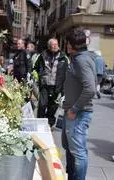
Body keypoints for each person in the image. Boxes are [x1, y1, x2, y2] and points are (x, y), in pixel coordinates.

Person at [62, 26, 96, 180]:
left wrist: (74, 109)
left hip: (77, 114)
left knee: (78, 152)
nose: (66, 45)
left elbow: (90, 89)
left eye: (68, 42)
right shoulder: (77, 58)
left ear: (73, 45)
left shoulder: (81, 60)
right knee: (70, 149)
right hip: (73, 112)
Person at [34, 38, 69, 127]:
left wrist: (65, 88)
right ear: (49, 46)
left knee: (53, 107)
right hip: (45, 85)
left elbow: (68, 72)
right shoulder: (42, 55)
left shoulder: (64, 57)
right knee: (42, 105)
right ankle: (40, 123)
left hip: (57, 86)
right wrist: (37, 76)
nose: (55, 46)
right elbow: (35, 68)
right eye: (53, 44)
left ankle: (49, 123)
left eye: (56, 44)